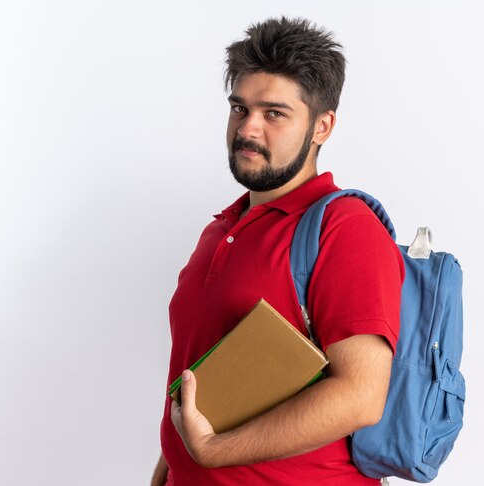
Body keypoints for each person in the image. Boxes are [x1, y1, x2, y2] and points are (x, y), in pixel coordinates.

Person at [151, 17, 405, 486]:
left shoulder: (345, 229)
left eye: (274, 113)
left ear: (322, 126)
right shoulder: (222, 228)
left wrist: (213, 451)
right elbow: (200, 379)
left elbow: (361, 395)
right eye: (239, 108)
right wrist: (171, 469)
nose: (248, 129)